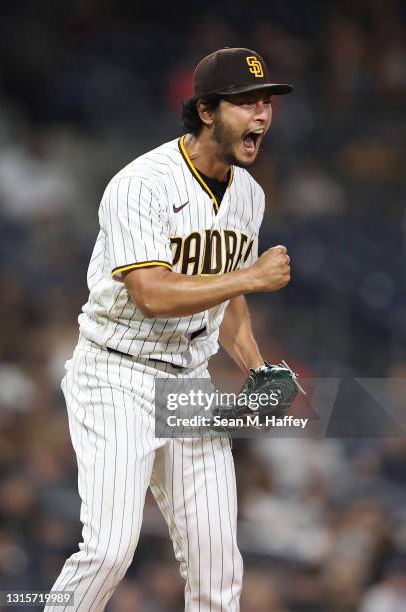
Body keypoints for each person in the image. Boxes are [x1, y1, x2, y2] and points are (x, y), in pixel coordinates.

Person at [45, 47, 293, 612]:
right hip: (116, 373)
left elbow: (225, 298)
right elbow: (152, 293)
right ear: (206, 110)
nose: (261, 115)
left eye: (266, 103)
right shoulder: (142, 184)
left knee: (218, 566)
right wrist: (251, 277)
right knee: (108, 550)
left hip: (190, 382)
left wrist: (258, 366)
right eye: (245, 103)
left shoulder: (248, 196)